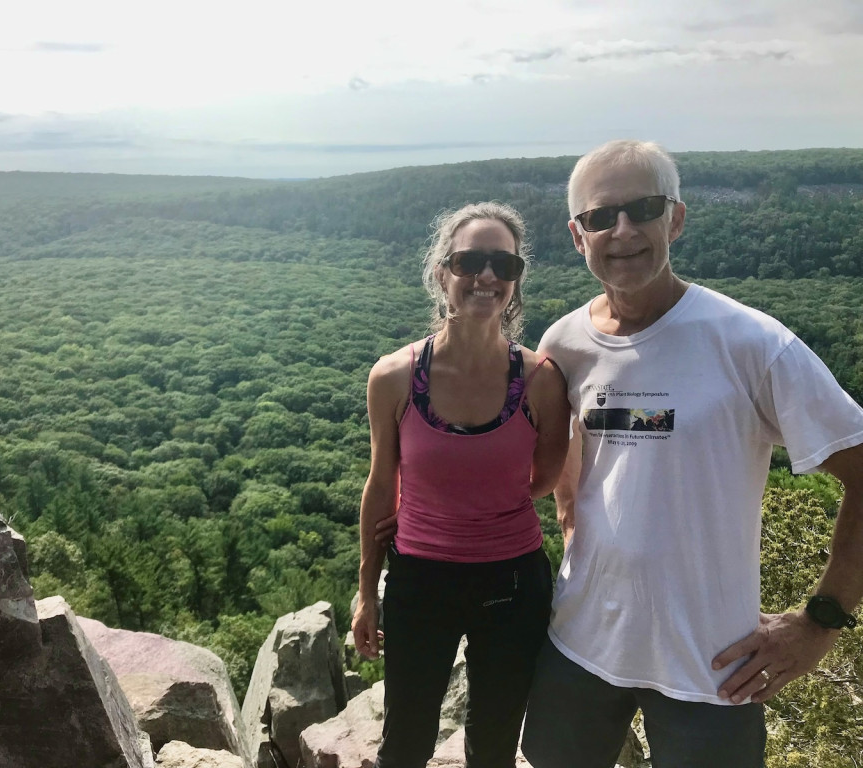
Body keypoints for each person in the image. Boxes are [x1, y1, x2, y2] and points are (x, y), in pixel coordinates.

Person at [519, 140, 863, 768]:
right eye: (600, 217)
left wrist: (819, 623)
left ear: (675, 218)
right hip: (581, 643)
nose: (621, 230)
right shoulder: (565, 343)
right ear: (578, 235)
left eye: (642, 208)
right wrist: (572, 520)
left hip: (714, 665)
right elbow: (573, 449)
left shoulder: (752, 344)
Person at [352, 201, 570, 768]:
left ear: (517, 280)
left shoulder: (541, 381)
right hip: (420, 579)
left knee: (495, 744)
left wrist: (470, 503)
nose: (488, 276)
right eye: (471, 260)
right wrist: (366, 592)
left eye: (504, 264)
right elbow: (382, 486)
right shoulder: (395, 377)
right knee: (405, 742)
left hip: (514, 582)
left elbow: (545, 476)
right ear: (442, 272)